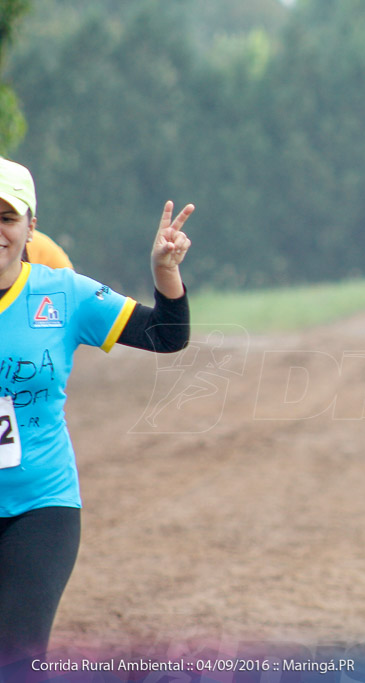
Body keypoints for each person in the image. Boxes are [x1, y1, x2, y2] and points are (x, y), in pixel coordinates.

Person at [0, 157, 194, 663]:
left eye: (6, 217)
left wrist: (164, 273)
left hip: (39, 507)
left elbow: (166, 335)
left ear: (30, 226)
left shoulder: (63, 294)